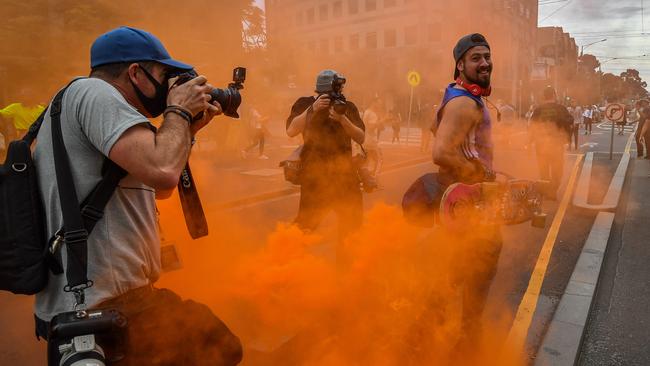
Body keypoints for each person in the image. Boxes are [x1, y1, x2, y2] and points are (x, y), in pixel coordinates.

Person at [32, 27, 242, 365]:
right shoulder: (93, 93)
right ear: (135, 72)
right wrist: (179, 111)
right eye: (163, 74)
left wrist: (188, 128)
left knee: (219, 344)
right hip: (101, 304)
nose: (168, 85)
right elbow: (163, 170)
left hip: (120, 299)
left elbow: (162, 187)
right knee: (219, 346)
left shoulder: (103, 112)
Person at [431, 33, 501, 353]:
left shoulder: (462, 97)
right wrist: (478, 172)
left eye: (486, 56)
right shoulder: (463, 101)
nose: (484, 63)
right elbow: (441, 152)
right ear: (460, 65)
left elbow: (437, 130)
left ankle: (430, 330)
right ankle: (464, 344)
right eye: (475, 58)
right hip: (469, 202)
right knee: (475, 269)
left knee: (455, 269)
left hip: (465, 198)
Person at [286, 70, 365, 243]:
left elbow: (360, 137)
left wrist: (342, 119)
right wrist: (312, 109)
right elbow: (291, 130)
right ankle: (288, 265)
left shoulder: (347, 107)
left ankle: (347, 267)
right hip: (315, 178)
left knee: (351, 228)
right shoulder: (305, 104)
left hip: (345, 177)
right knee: (305, 227)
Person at [529, 86, 573, 200]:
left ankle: (546, 190)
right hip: (556, 144)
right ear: (554, 95)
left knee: (543, 170)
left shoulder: (538, 110)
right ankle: (553, 191)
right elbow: (570, 121)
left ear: (544, 96)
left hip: (541, 145)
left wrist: (530, 141)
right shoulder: (561, 109)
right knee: (557, 170)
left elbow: (532, 126)